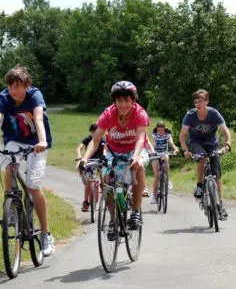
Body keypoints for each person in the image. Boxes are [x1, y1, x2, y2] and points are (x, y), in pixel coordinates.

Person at [0, 64, 55, 256]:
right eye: (10, 85)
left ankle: (46, 234)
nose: (13, 90)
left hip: (37, 143)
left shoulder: (34, 95)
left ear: (27, 85)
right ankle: (10, 204)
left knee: (33, 186)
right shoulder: (3, 98)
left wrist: (43, 141)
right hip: (14, 140)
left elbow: (38, 118)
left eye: (17, 85)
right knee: (9, 164)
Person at [79, 80, 150, 231]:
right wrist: (85, 158)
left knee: (139, 167)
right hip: (113, 151)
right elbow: (95, 140)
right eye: (119, 101)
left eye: (127, 100)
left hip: (135, 149)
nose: (123, 104)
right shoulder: (108, 114)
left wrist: (136, 156)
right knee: (107, 180)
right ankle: (113, 219)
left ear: (133, 100)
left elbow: (140, 139)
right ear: (115, 101)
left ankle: (136, 212)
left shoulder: (139, 113)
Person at [179, 89, 232, 220]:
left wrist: (227, 145)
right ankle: (199, 186)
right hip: (195, 142)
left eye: (200, 101)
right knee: (201, 157)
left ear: (207, 101)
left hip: (212, 143)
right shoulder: (190, 115)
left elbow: (225, 131)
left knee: (216, 174)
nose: (197, 104)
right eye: (195, 101)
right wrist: (185, 150)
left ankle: (219, 203)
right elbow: (183, 134)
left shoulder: (214, 113)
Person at [76, 123, 105, 212]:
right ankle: (86, 202)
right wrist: (79, 156)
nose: (94, 134)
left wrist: (104, 155)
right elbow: (79, 148)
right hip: (90, 161)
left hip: (100, 160)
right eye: (92, 132)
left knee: (104, 178)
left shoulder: (102, 140)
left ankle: (105, 193)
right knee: (88, 182)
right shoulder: (88, 139)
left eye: (95, 132)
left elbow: (105, 149)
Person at [149, 121, 179, 204]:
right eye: (159, 130)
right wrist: (151, 150)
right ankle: (154, 197)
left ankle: (168, 180)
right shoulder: (154, 135)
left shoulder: (167, 135)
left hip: (164, 153)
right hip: (156, 154)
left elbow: (171, 142)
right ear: (157, 130)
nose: (160, 132)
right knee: (157, 175)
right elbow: (154, 144)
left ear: (164, 129)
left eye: (162, 130)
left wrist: (175, 148)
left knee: (166, 158)